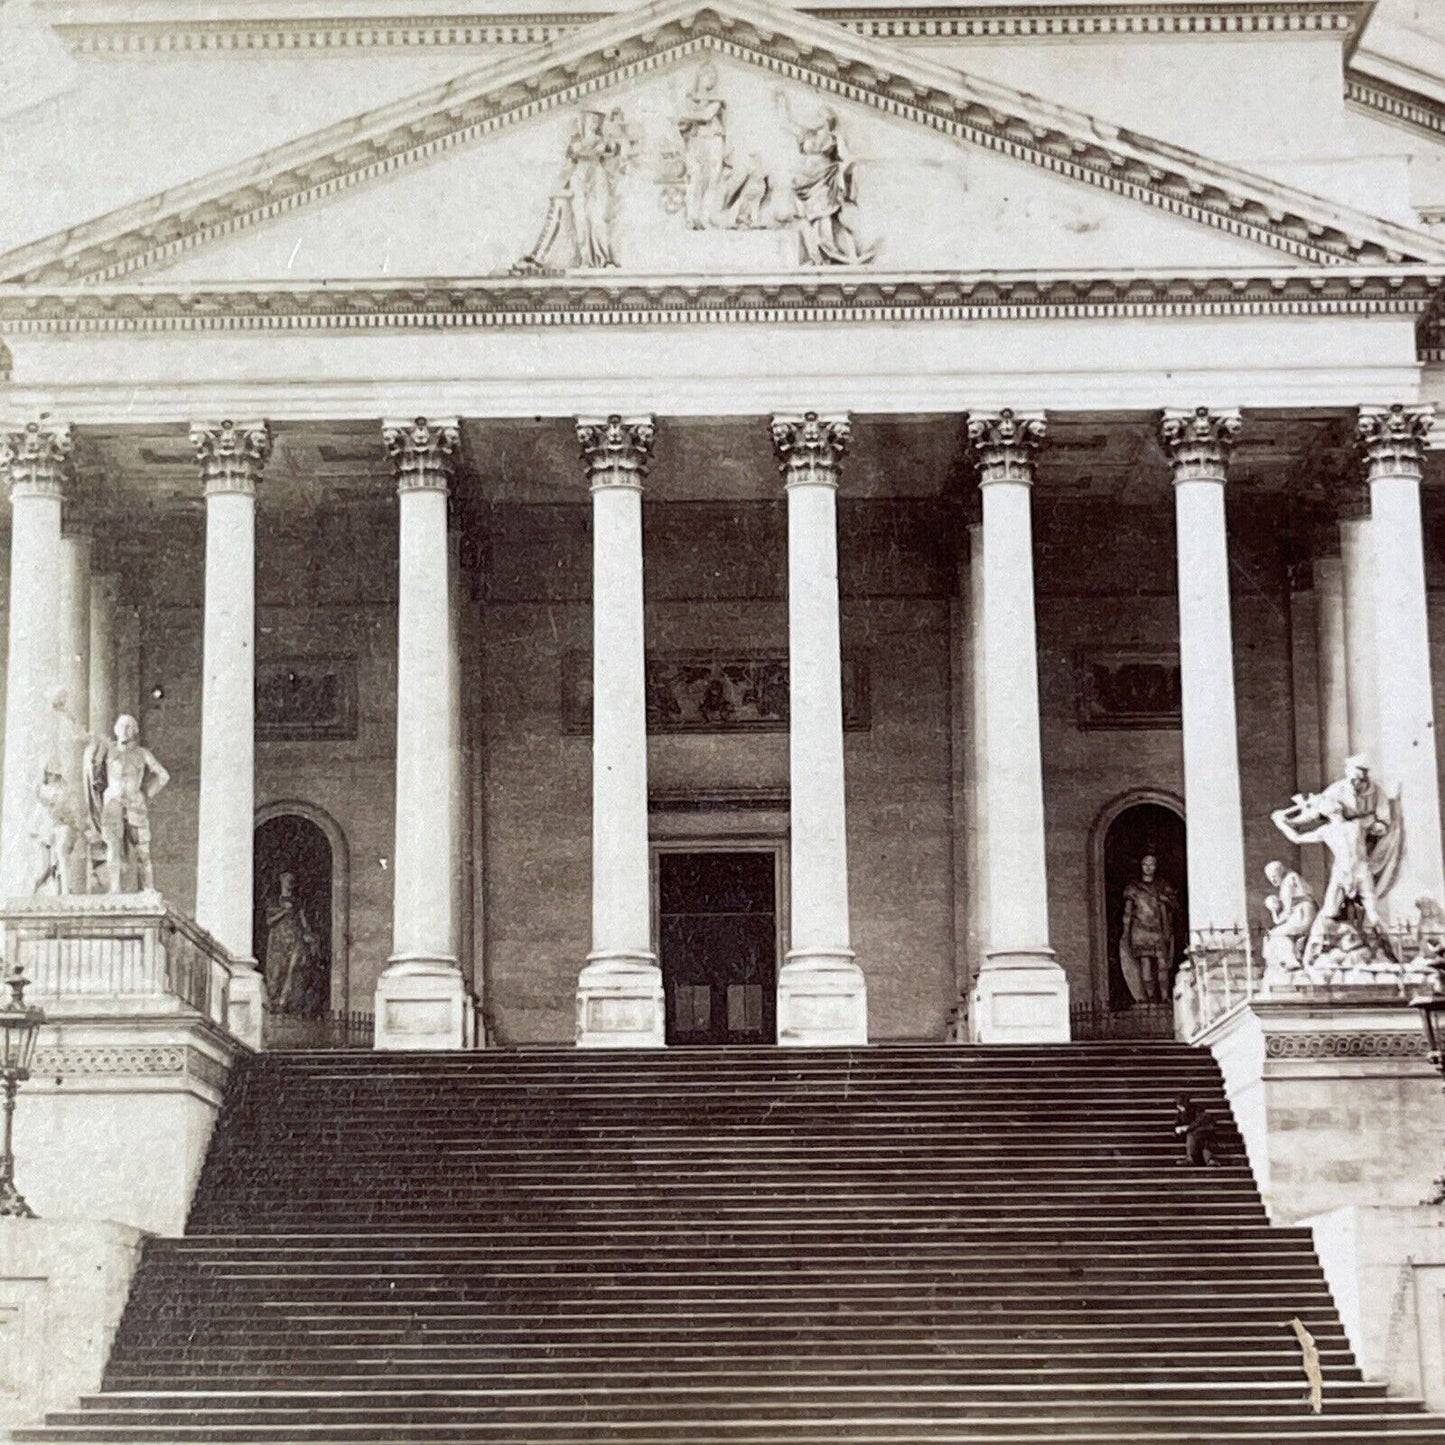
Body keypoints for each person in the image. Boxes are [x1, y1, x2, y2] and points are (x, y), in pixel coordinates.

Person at [84, 714, 169, 894]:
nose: (124, 730)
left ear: (135, 731)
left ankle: (148, 887)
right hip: (113, 803)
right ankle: (115, 888)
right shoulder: (108, 750)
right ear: (115, 729)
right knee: (112, 847)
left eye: (129, 726)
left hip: (134, 804)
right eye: (121, 726)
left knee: (142, 850)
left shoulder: (142, 753)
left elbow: (163, 776)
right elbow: (92, 761)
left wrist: (146, 792)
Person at [1119, 853, 1180, 1004]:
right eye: (1145, 864)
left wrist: (1165, 900)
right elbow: (1127, 912)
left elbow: (1176, 906)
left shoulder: (1163, 887)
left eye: (1151, 864)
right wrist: (1126, 932)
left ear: (1156, 866)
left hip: (1159, 929)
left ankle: (1165, 997)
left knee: (1162, 964)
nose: (1148, 867)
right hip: (1140, 929)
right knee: (1145, 963)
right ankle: (1150, 998)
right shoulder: (1133, 888)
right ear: (1141, 865)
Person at [262, 871, 322, 1015]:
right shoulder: (273, 900)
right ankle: (273, 1003)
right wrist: (283, 912)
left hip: (295, 938)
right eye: (287, 879)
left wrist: (308, 934)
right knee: (276, 972)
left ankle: (285, 1003)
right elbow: (269, 921)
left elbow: (303, 921)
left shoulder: (297, 902)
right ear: (281, 881)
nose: (290, 882)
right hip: (278, 940)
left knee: (292, 972)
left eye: (292, 880)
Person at [1262, 860, 1318, 976]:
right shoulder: (1293, 877)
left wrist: (1275, 914)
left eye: (1273, 876)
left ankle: (1291, 961)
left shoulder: (1287, 883)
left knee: (1275, 934)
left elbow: (1287, 913)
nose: (1272, 880)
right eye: (1269, 877)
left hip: (1302, 914)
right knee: (1278, 933)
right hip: (1307, 912)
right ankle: (1293, 957)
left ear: (1280, 872)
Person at [29, 765, 78, 895]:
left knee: (61, 858)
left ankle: (65, 889)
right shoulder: (43, 796)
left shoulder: (62, 790)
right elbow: (38, 819)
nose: (52, 777)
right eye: (49, 774)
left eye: (54, 775)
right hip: (47, 833)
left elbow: (65, 810)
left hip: (59, 829)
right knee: (48, 867)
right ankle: (38, 888)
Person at [1173, 1094, 1221, 1167]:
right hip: (1198, 1137)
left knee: (1194, 1134)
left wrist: (1187, 1128)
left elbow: (1199, 1122)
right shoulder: (1181, 1114)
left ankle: (1191, 1159)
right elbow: (1177, 1124)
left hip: (1205, 1131)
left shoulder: (1197, 1109)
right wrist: (1177, 1129)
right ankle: (1209, 1160)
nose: (1178, 1107)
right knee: (1202, 1141)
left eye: (1180, 1105)